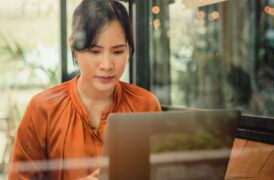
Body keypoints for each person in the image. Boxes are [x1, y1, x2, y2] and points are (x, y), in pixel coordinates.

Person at [9, 0, 161, 179]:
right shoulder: (43, 109)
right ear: (74, 47)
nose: (107, 65)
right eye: (95, 51)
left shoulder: (145, 105)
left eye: (118, 52)